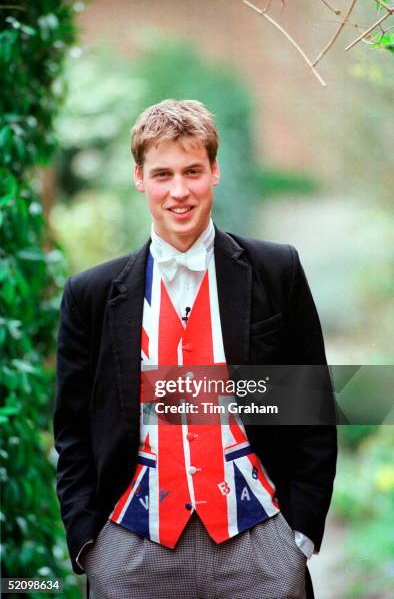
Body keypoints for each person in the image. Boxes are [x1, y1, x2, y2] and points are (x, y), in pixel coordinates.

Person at [54, 99, 337, 599]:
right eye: (162, 174)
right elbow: (73, 429)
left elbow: (311, 407)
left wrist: (301, 535)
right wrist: (90, 545)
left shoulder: (277, 270)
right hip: (131, 550)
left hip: (260, 545)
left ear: (215, 171)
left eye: (193, 171)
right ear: (139, 177)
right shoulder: (91, 294)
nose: (179, 191)